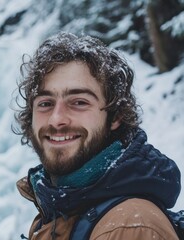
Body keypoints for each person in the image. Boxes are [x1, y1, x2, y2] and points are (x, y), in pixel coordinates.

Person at [14, 32, 181, 239]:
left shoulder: (128, 227)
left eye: (79, 102)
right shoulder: (60, 211)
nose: (56, 119)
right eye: (45, 103)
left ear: (115, 116)